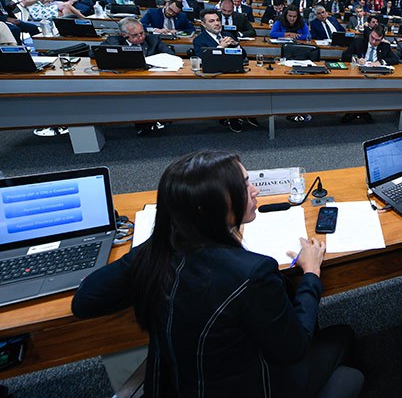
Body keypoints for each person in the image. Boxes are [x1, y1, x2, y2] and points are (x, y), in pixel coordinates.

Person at [71, 151, 363, 397]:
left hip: (180, 384)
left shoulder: (155, 251)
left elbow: (84, 300)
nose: (255, 191)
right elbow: (294, 348)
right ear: (212, 208)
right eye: (245, 186)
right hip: (252, 387)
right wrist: (311, 273)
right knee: (344, 338)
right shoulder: (253, 273)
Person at [102, 17, 174, 56]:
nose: (141, 37)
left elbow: (171, 55)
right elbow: (93, 53)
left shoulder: (153, 40)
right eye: (135, 35)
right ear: (124, 35)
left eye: (142, 33)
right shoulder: (113, 41)